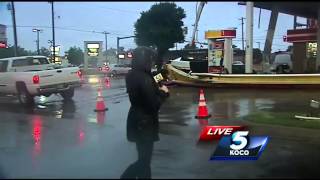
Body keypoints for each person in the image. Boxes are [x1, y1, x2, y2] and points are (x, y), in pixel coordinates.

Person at [120, 46, 170, 179]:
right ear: (145, 60)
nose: (152, 62)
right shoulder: (144, 78)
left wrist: (163, 74)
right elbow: (153, 104)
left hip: (136, 120)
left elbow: (152, 80)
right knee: (144, 161)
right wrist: (164, 93)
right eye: (150, 59)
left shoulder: (133, 74)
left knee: (143, 158)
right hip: (145, 123)